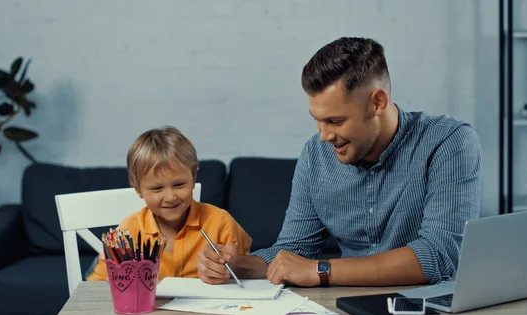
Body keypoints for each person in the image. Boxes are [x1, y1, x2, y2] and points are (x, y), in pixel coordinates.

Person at [197, 37, 482, 287]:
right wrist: (237, 265)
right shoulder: (315, 155)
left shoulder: (449, 142)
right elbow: (294, 249)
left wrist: (323, 270)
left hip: (426, 304)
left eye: (335, 121)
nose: (323, 136)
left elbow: (440, 255)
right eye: (317, 121)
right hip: (343, 305)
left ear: (378, 103)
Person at [86, 126, 252, 281]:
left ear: (194, 177)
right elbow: (97, 286)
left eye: (179, 185)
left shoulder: (221, 223)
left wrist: (232, 267)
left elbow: (246, 273)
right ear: (138, 189)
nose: (170, 197)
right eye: (157, 188)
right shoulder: (127, 232)